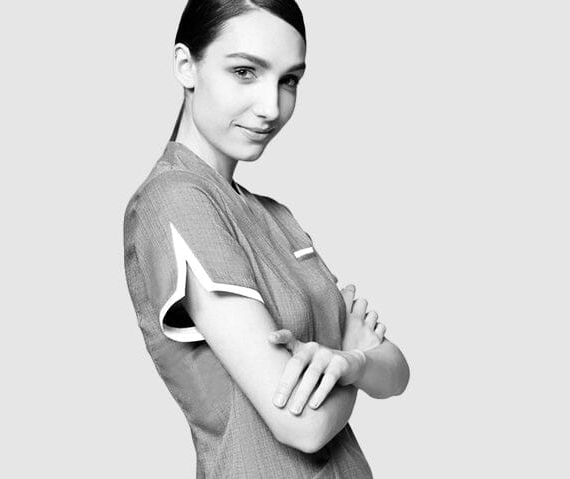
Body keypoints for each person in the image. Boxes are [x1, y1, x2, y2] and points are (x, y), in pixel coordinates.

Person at [122, 1, 412, 477]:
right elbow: (303, 425)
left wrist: (351, 363)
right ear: (186, 65)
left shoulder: (275, 214)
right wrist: (356, 361)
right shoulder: (175, 199)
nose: (272, 107)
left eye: (289, 80)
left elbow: (397, 372)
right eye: (244, 72)